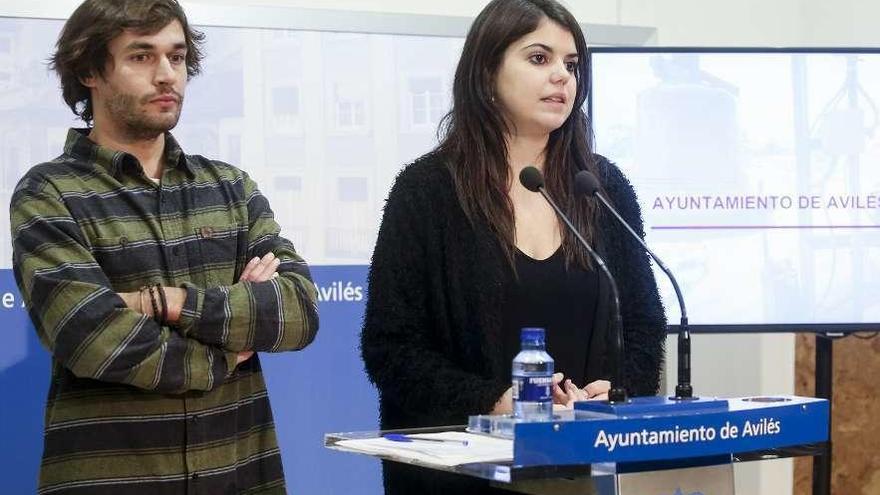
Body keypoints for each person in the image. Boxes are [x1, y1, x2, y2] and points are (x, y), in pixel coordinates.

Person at [10, 1, 318, 493]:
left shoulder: (231, 187)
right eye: (141, 57)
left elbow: (297, 311)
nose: (166, 75)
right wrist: (224, 353)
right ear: (90, 70)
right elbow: (89, 336)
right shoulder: (49, 192)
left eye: (176, 57)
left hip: (238, 475)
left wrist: (167, 302)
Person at [360, 0, 666, 493]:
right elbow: (391, 348)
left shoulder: (602, 186)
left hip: (581, 467)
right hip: (460, 473)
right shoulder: (427, 192)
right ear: (487, 72)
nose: (562, 78)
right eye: (539, 59)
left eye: (572, 65)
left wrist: (617, 392)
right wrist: (497, 400)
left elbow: (644, 323)